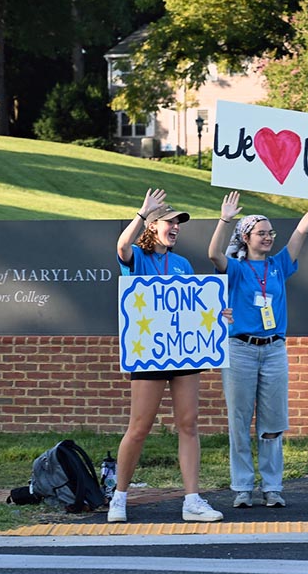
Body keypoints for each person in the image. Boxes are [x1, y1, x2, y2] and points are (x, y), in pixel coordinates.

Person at [208, 182, 308, 509]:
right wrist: (225, 220)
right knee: (239, 422)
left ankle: (272, 487)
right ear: (246, 238)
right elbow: (213, 254)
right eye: (261, 233)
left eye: (270, 233)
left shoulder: (279, 265)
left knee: (272, 422)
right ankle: (242, 487)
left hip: (273, 351)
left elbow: (302, 230)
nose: (268, 237)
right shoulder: (237, 269)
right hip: (239, 350)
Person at [107, 187, 224, 524]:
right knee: (139, 428)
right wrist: (142, 212)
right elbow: (121, 247)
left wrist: (217, 314)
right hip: (149, 355)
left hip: (185, 354)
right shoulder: (139, 258)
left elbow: (193, 305)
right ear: (153, 226)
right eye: (169, 222)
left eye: (178, 224)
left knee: (189, 425)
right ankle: (119, 497)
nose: (175, 227)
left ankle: (192, 500)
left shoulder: (183, 263)